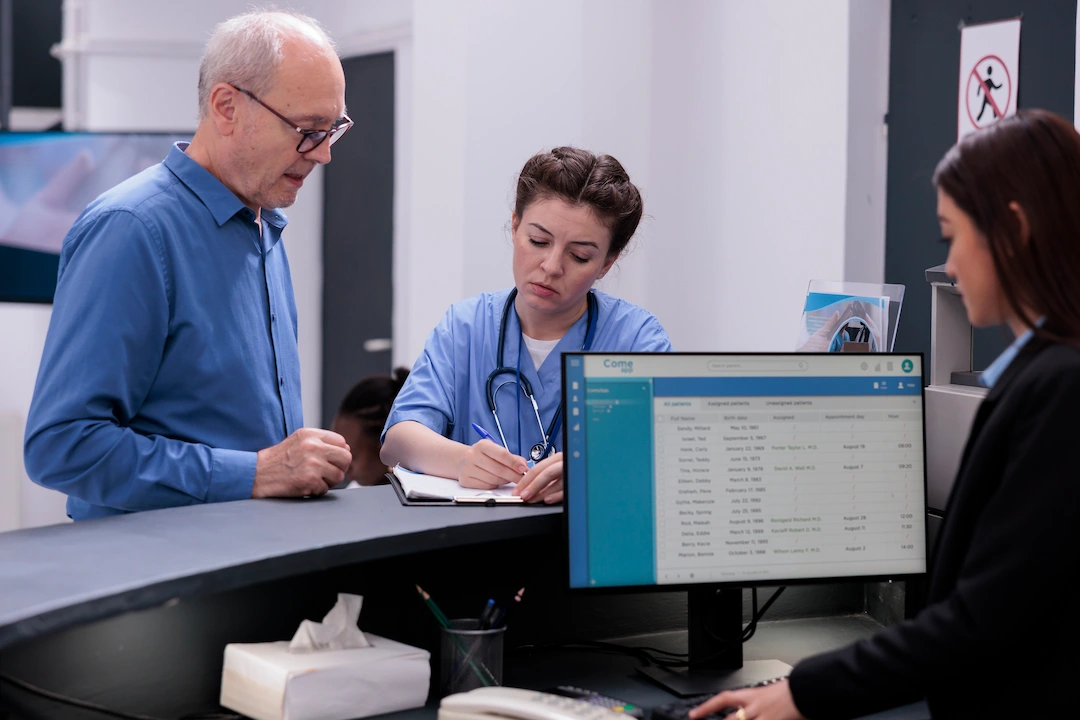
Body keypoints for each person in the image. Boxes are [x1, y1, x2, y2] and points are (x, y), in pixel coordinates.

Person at [690, 109, 1080, 719]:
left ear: (1014, 227)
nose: (949, 265)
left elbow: (980, 618)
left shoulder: (1061, 387)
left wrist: (801, 693)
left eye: (952, 236)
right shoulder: (1046, 375)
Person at [24, 9, 355, 521]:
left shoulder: (262, 226)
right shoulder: (133, 229)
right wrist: (255, 473)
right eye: (308, 129)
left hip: (247, 572)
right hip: (163, 588)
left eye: (333, 129)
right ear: (226, 106)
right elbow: (62, 446)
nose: (323, 154)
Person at [381, 147, 672, 504]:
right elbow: (398, 439)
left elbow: (661, 454)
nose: (551, 266)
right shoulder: (466, 326)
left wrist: (593, 468)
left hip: (583, 546)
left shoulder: (635, 338)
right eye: (538, 241)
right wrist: (461, 460)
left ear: (606, 264)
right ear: (515, 225)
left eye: (579, 256)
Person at [332, 368, 410, 486]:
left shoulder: (421, 494)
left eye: (353, 457)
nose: (344, 467)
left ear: (385, 446)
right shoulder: (355, 491)